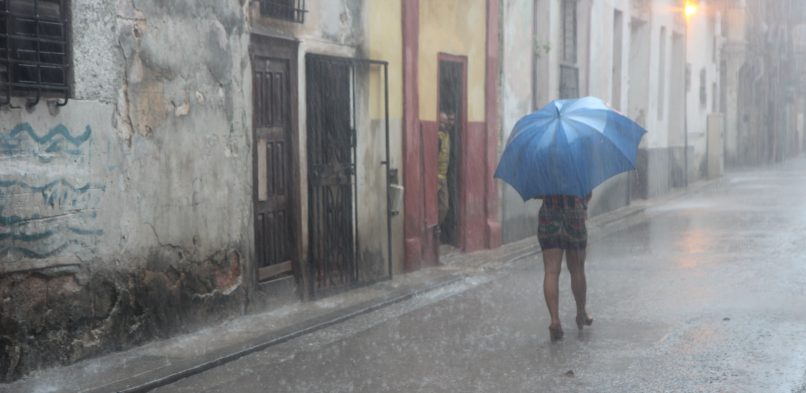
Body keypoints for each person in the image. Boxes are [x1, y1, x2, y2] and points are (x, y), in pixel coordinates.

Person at [538, 193, 594, 341]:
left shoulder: (543, 169)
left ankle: (555, 320)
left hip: (549, 214)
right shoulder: (579, 168)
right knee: (577, 269)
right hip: (574, 213)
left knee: (551, 270)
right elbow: (587, 192)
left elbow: (537, 193)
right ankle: (581, 313)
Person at [437, 112, 452, 226]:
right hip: (436, 177)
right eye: (441, 122)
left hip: (443, 177)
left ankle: (437, 228)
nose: (443, 124)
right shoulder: (438, 137)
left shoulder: (447, 135)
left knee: (444, 207)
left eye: (445, 122)